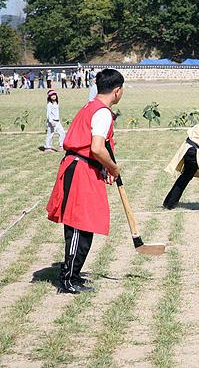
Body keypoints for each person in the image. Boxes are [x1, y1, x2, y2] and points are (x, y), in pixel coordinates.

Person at [46, 69, 125, 294]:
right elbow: (97, 148)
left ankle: (75, 274)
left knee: (86, 224)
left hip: (84, 167)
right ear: (117, 91)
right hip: (79, 169)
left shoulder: (91, 106)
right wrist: (112, 166)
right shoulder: (102, 112)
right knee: (79, 224)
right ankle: (68, 279)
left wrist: (103, 166)